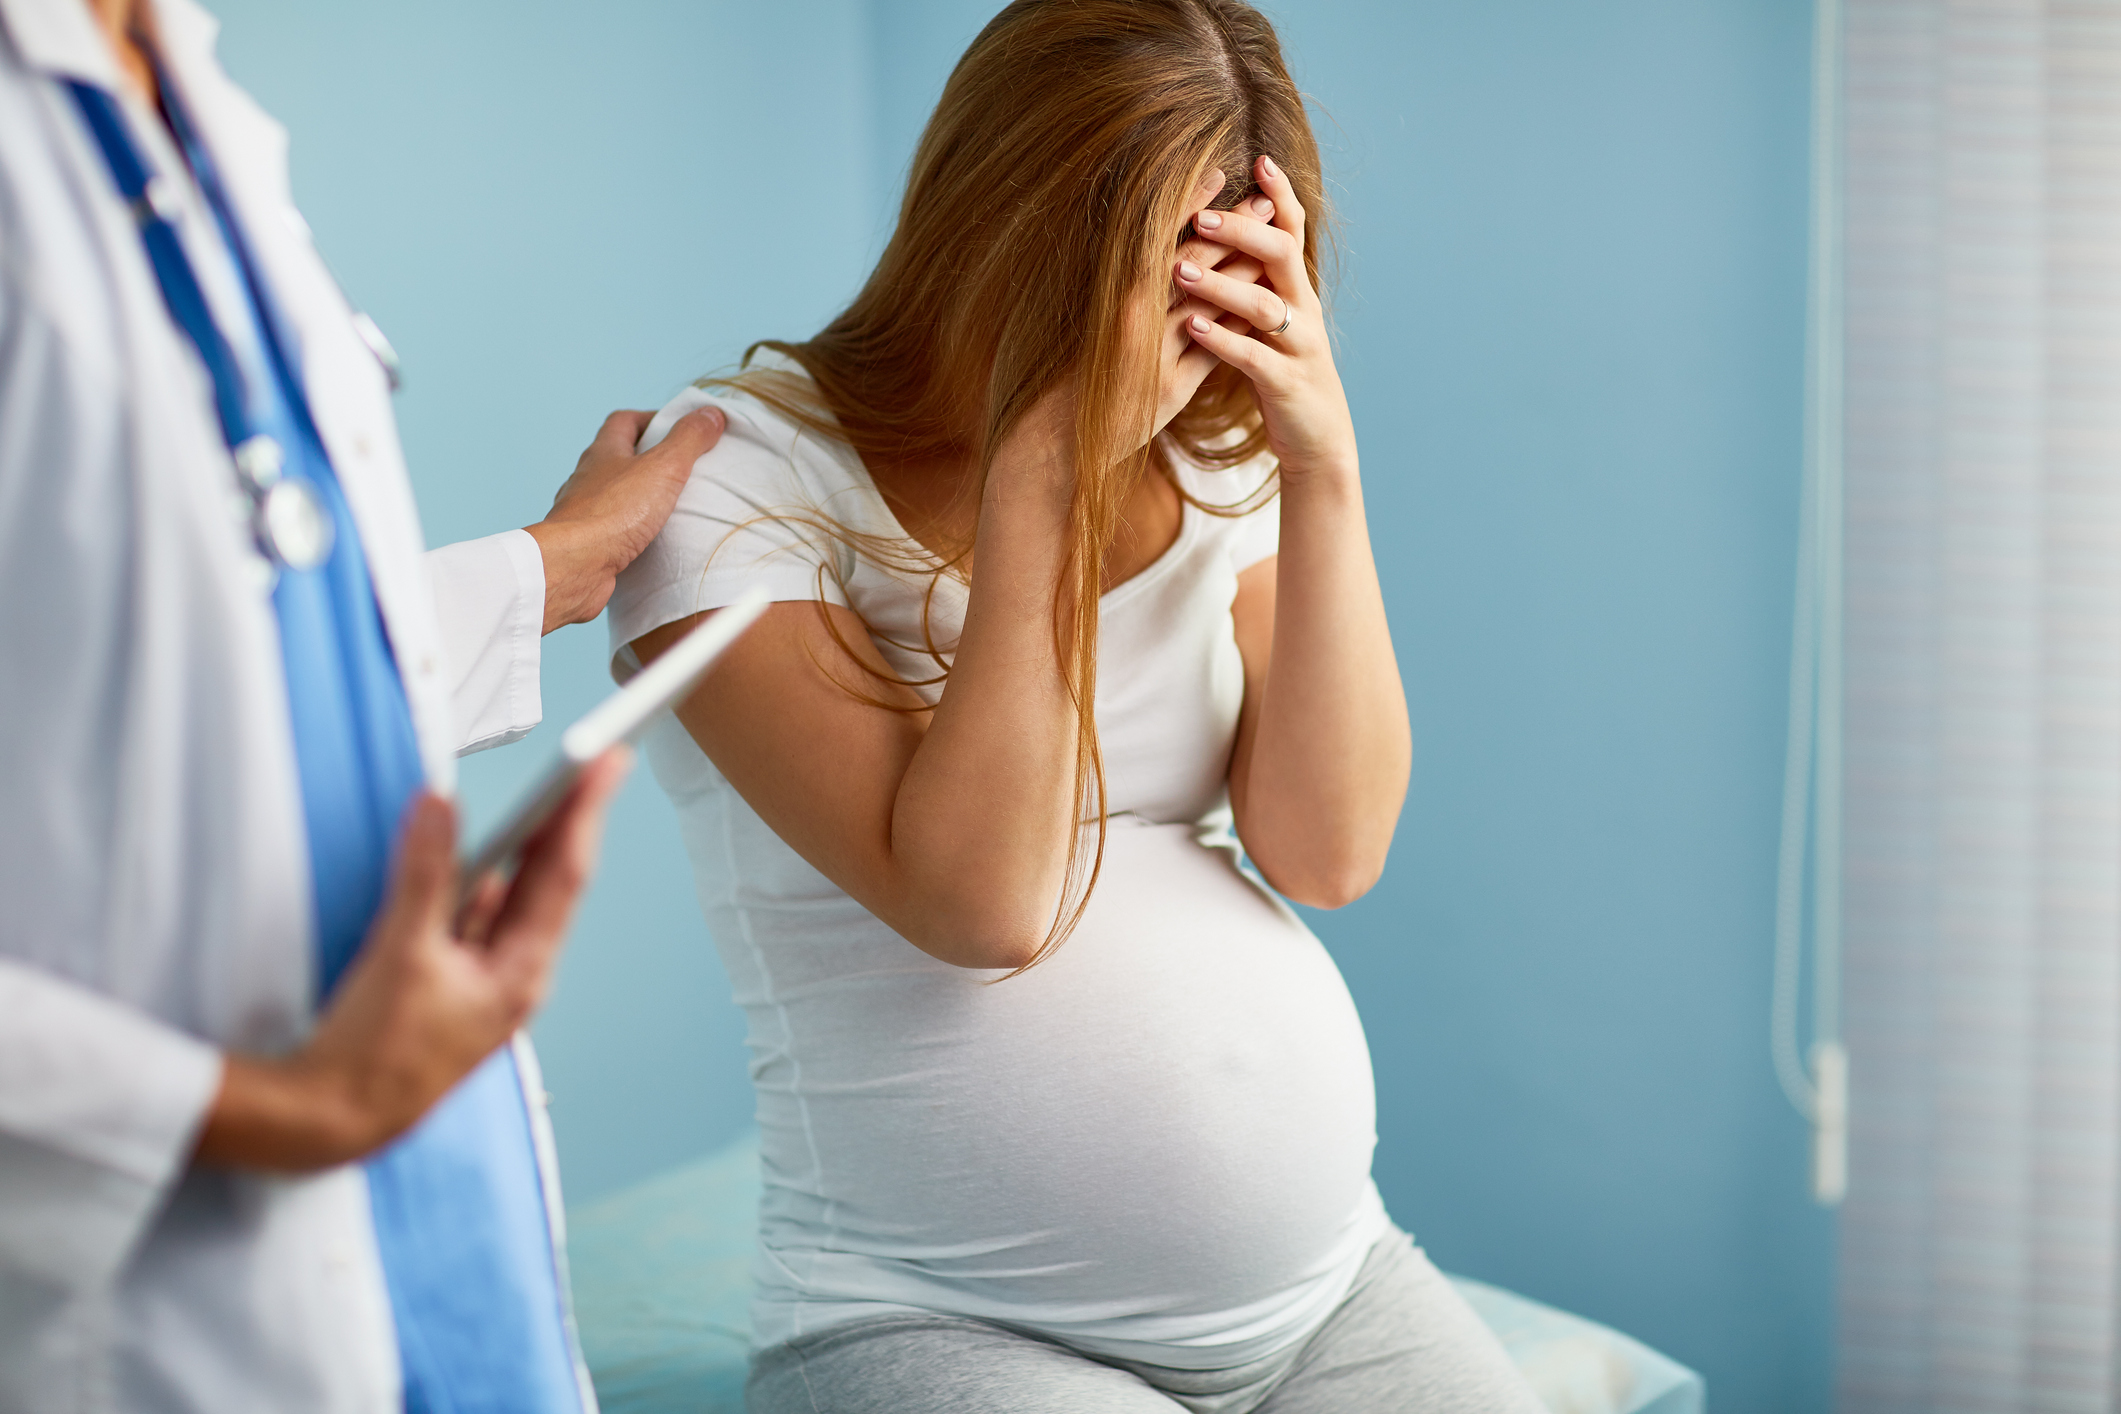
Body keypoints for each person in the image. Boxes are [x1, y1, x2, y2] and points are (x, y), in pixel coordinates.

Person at [611, 2, 1548, 1409]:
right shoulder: (738, 479)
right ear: (1001, 231)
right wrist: (1042, 469)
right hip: (929, 1318)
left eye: (1224, 269)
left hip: (1327, 1292)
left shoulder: (1205, 441)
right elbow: (985, 904)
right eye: (1152, 274)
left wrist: (1322, 466)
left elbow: (1328, 848)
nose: (1185, 334)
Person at [0, 0, 727, 1409]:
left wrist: (554, 567)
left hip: (450, 1263)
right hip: (160, 1318)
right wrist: (285, 1108)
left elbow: (207, 652)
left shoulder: (182, 101)